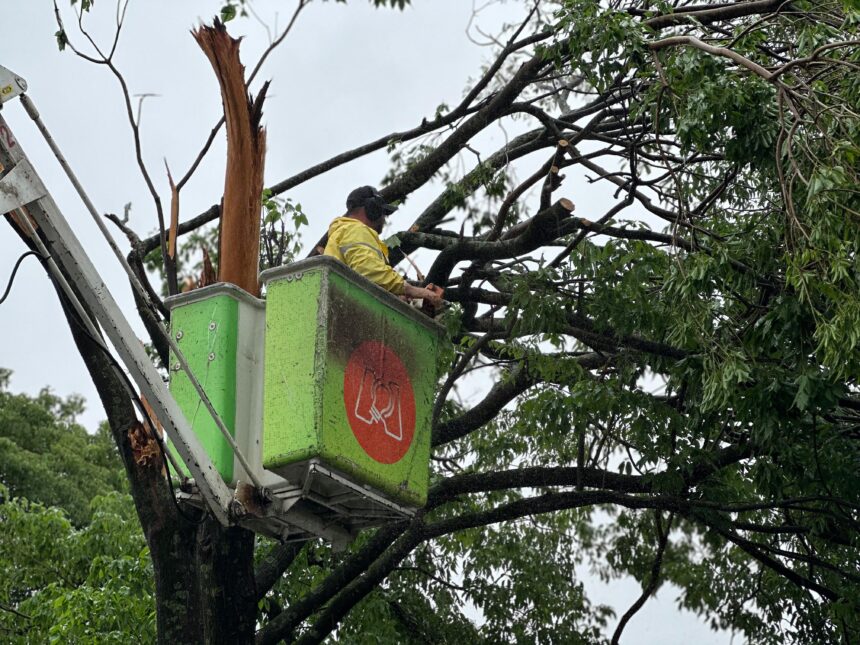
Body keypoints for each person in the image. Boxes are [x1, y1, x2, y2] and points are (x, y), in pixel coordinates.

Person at [323, 186, 443, 308]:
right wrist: (411, 289)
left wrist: (397, 295)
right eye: (383, 213)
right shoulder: (356, 230)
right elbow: (368, 269)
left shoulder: (344, 232)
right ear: (372, 208)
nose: (384, 219)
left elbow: (363, 279)